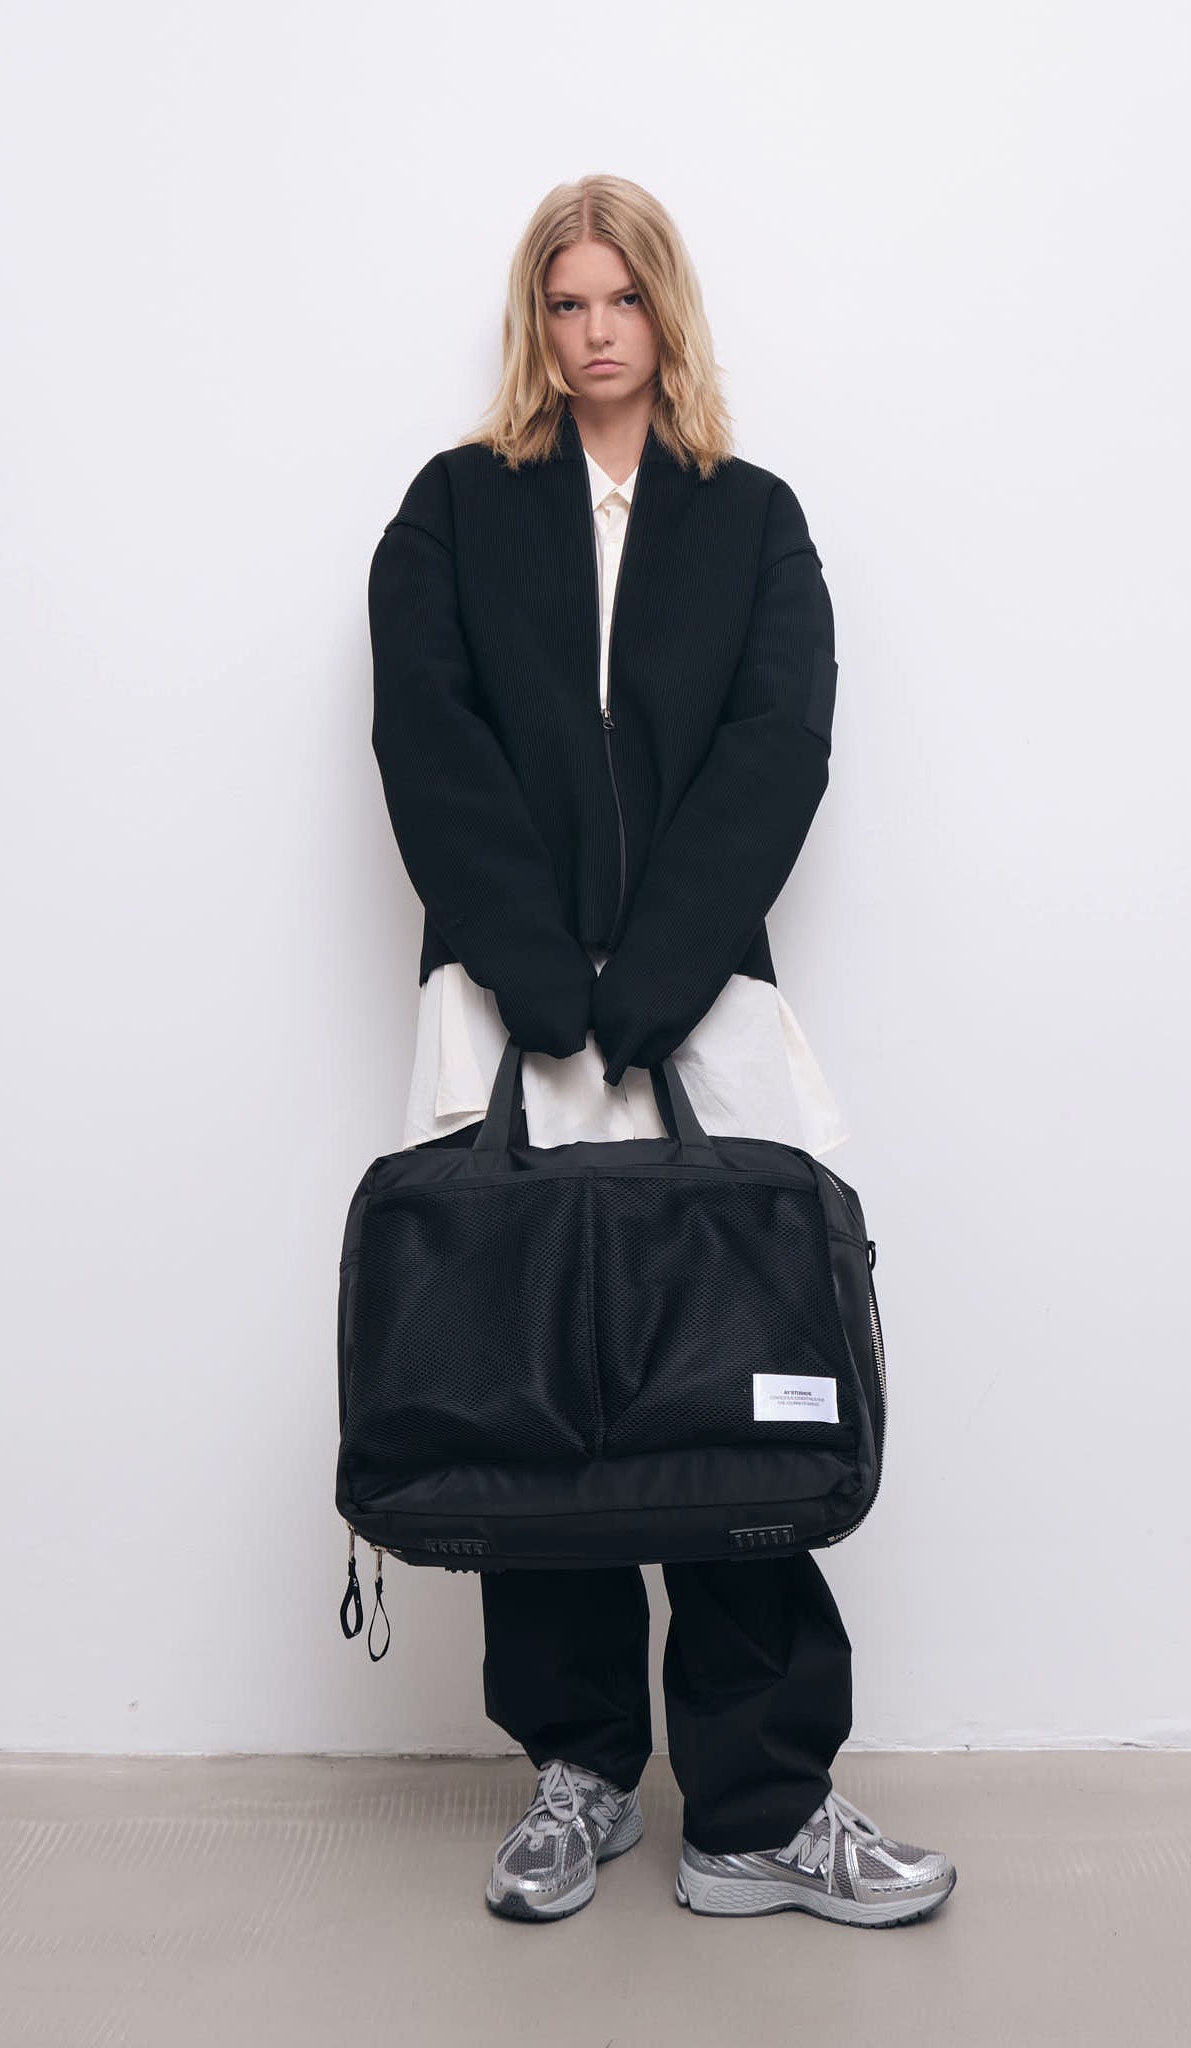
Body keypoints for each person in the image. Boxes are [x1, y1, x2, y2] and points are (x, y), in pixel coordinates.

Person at [366, 174, 957, 1928]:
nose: (594, 330)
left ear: (664, 311)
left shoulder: (750, 518)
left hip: (705, 1010)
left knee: (728, 1393)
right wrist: (543, 978)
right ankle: (579, 1777)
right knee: (529, 1399)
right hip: (506, 1006)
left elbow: (780, 745)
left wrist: (661, 977)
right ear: (534, 323)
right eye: (565, 302)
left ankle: (759, 1809)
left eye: (621, 298)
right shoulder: (452, 509)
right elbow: (427, 739)